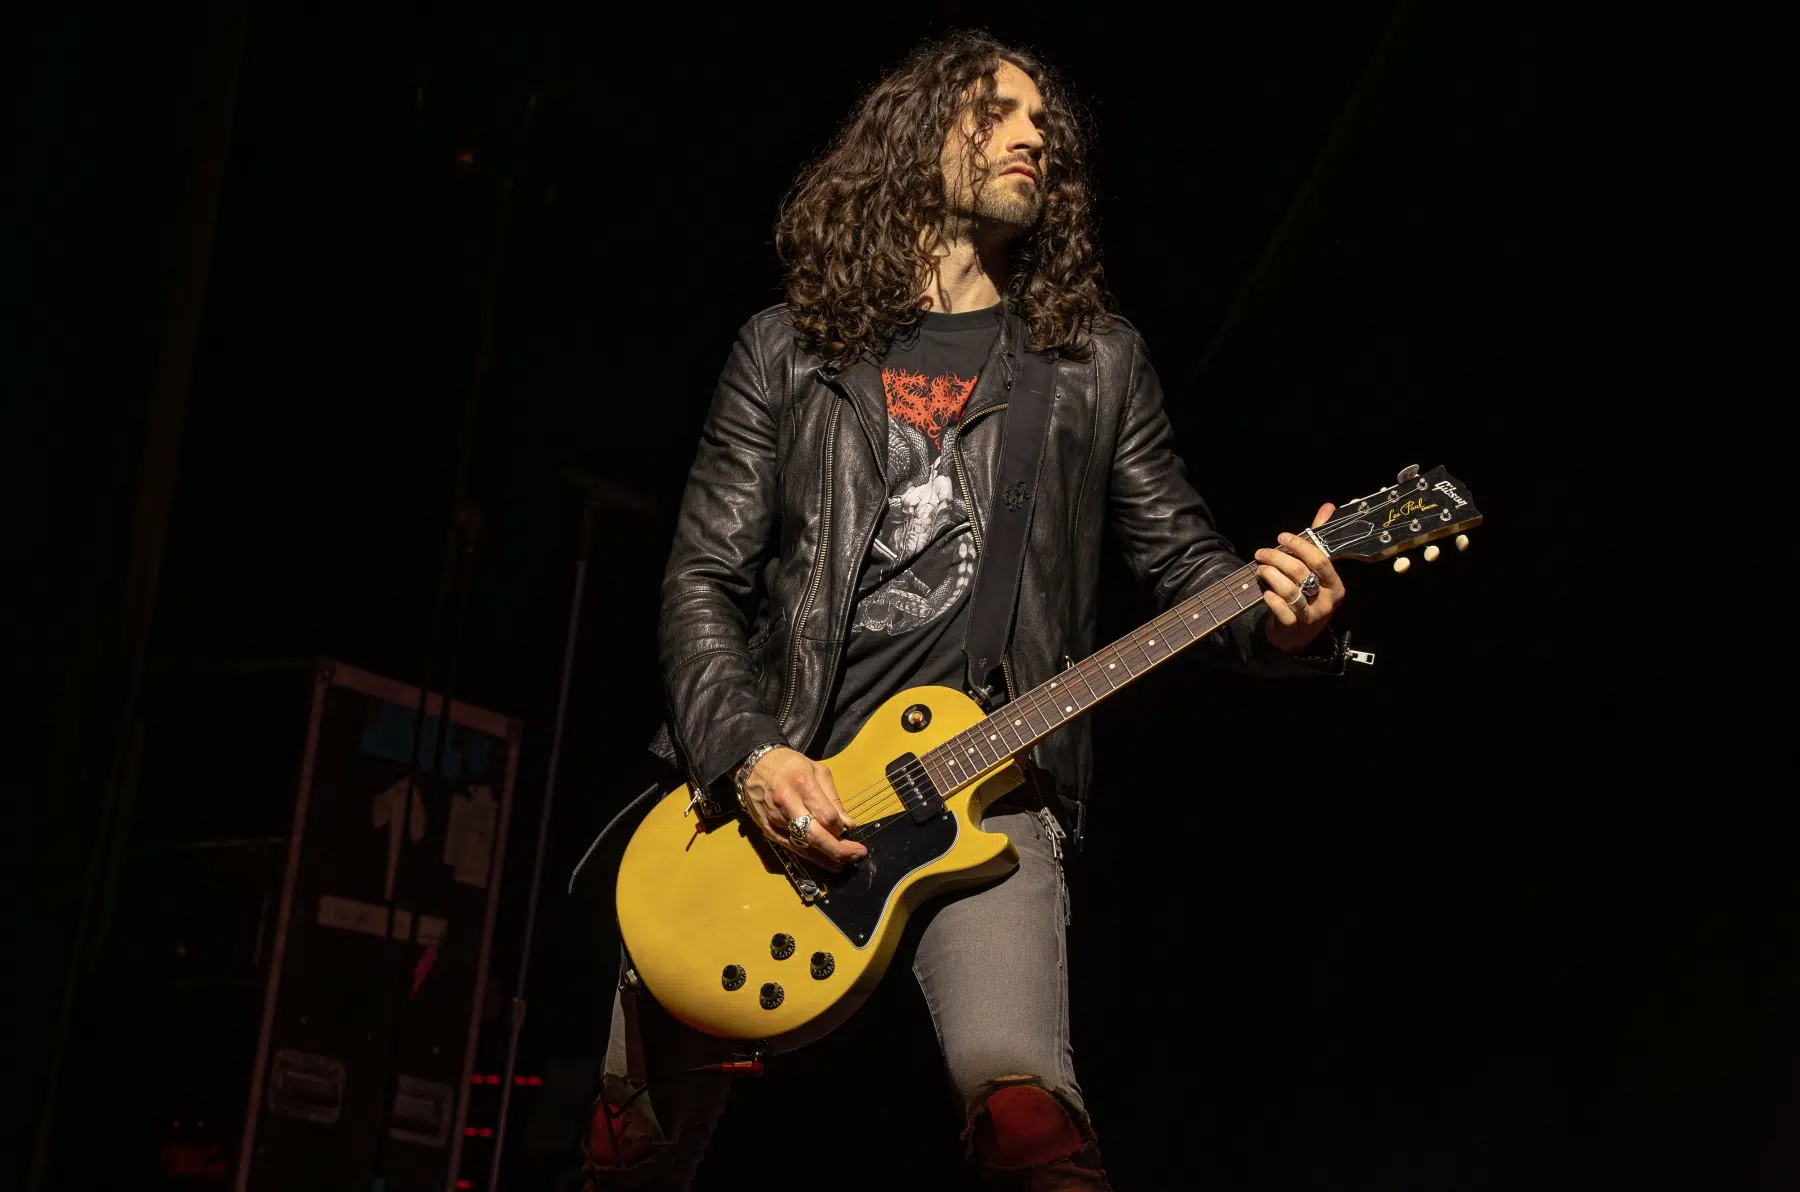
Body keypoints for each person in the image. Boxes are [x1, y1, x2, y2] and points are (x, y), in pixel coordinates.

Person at [587, 30, 1349, 1191]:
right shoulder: (788, 350)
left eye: (1045, 121)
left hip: (988, 783)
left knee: (1032, 1127)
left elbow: (1185, 558)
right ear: (916, 135)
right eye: (997, 110)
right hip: (774, 785)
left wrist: (1281, 621)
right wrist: (749, 756)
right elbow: (702, 580)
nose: (1035, 134)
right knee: (626, 1143)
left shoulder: (1091, 365)